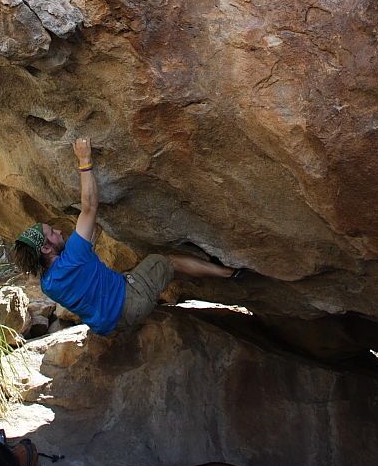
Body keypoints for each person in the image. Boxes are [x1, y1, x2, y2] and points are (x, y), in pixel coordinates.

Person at [13, 137, 242, 336]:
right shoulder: (73, 255)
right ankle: (229, 273)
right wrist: (84, 160)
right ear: (45, 249)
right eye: (51, 233)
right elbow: (89, 207)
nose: (59, 231)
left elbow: (83, 269)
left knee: (128, 273)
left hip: (110, 326)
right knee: (166, 261)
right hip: (131, 303)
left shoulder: (47, 285)